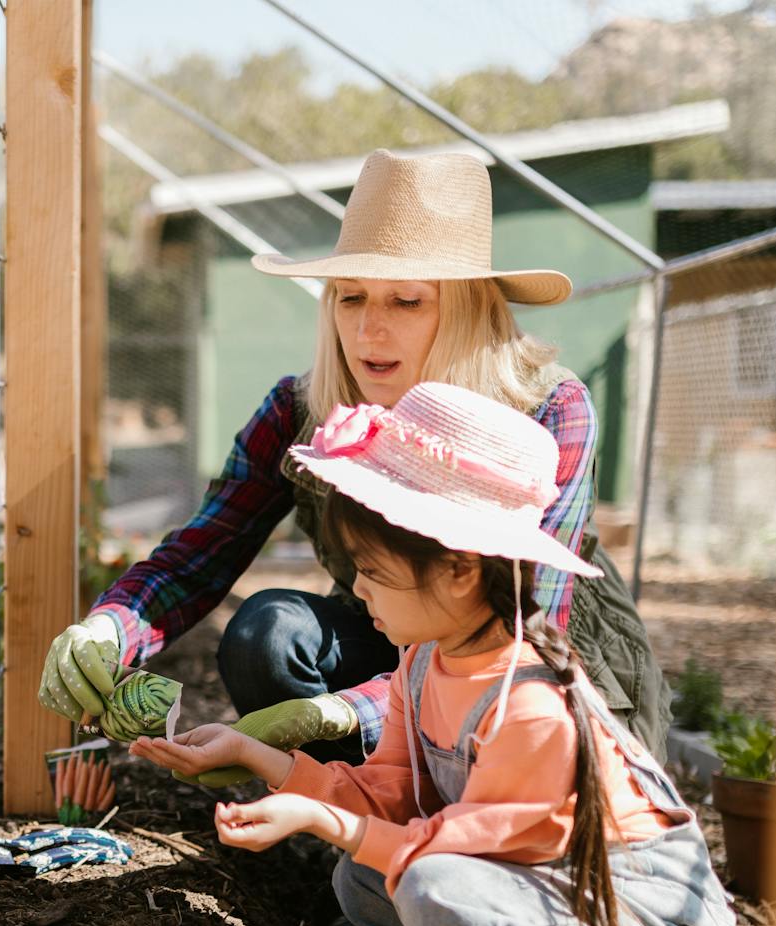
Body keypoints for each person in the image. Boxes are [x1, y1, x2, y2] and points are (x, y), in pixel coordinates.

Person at [132, 383, 734, 926]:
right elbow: (389, 799)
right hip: (562, 902)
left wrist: (321, 820)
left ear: (456, 570)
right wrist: (255, 756)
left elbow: (445, 848)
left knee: (430, 885)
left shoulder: (533, 708)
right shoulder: (426, 663)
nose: (358, 593)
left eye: (373, 572)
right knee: (366, 884)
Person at [39, 149, 668, 775]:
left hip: (528, 677)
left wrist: (342, 713)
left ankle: (396, 821)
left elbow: (523, 632)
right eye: (350, 297)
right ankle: (330, 824)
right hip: (387, 634)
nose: (369, 330)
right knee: (268, 630)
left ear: (469, 305)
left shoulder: (552, 409)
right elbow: (199, 556)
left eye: (407, 302)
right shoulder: (299, 409)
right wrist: (109, 630)